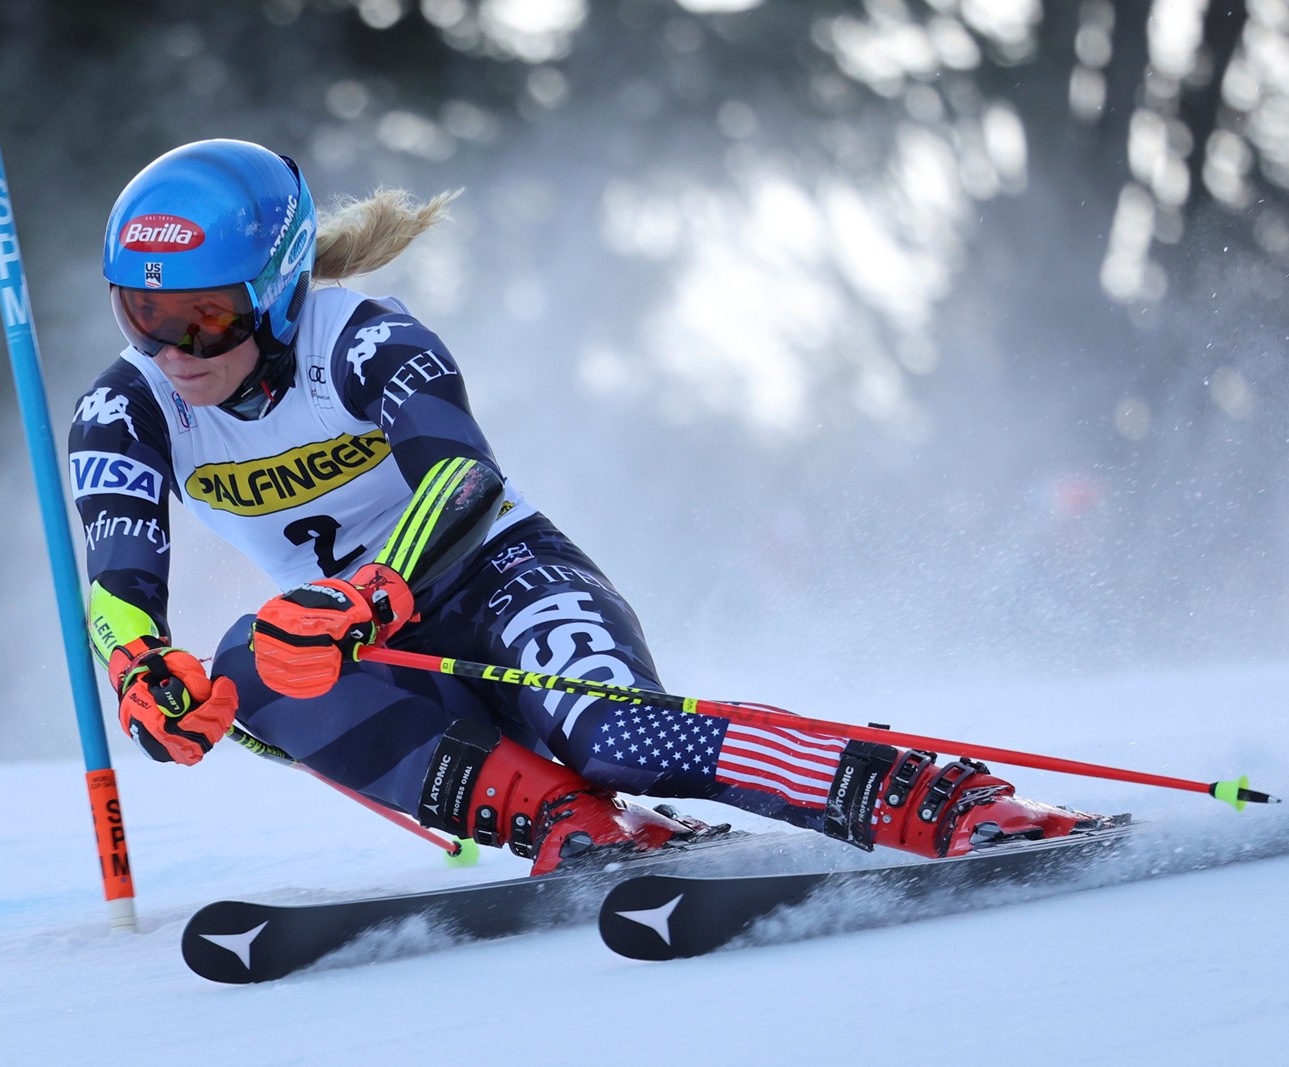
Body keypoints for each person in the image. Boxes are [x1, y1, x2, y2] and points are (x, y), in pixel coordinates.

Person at [71, 139, 1098, 875]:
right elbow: (118, 576)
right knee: (253, 665)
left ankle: (930, 793)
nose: (172, 349)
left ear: (282, 287)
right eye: (143, 311)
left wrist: (372, 592)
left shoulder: (365, 340)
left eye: (206, 317)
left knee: (621, 736)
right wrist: (144, 673)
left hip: (501, 580)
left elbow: (459, 478)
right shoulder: (127, 404)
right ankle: (572, 827)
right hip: (368, 641)